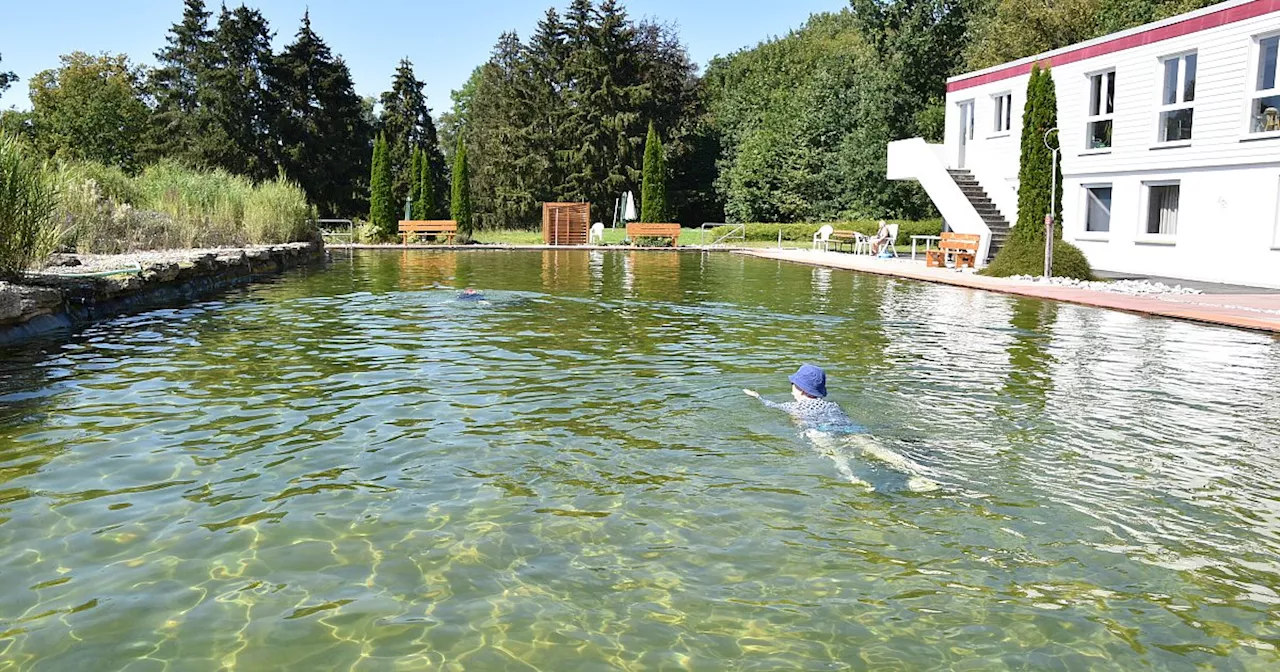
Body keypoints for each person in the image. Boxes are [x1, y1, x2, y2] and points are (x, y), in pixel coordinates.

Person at [745, 364, 939, 492]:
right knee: (878, 450)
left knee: (836, 454)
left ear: (800, 388)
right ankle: (917, 471)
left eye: (792, 383)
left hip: (820, 430)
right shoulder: (832, 405)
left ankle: (853, 477)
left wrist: (758, 397)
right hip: (849, 429)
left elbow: (770, 405)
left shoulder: (794, 406)